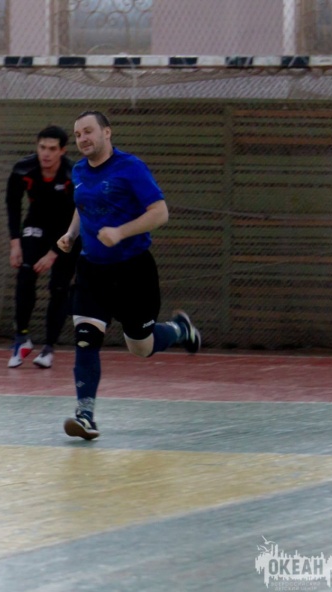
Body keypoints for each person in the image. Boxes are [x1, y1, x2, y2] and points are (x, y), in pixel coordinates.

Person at [57, 110, 201, 440]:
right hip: (92, 270)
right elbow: (83, 203)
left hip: (133, 271)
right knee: (85, 337)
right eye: (78, 134)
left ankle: (179, 330)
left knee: (141, 347)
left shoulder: (130, 167)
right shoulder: (79, 170)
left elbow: (160, 213)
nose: (83, 139)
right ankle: (85, 416)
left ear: (107, 132)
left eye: (88, 131)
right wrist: (71, 234)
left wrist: (120, 232)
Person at [5, 125, 81, 369]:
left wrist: (53, 254)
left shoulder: (73, 175)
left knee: (59, 288)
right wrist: (15, 243)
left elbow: (80, 216)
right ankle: (22, 338)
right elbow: (13, 204)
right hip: (36, 225)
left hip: (68, 232)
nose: (46, 154)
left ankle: (49, 347)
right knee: (25, 273)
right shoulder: (23, 169)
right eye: (42, 148)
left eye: (52, 149)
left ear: (62, 151)